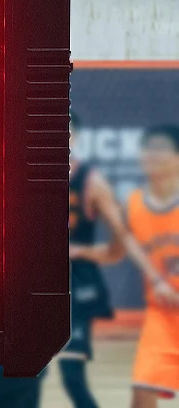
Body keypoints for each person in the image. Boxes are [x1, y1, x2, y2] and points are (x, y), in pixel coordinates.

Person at [58, 112, 126, 408]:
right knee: (16, 381)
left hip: (76, 287)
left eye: (67, 132)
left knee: (73, 377)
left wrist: (82, 251)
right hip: (30, 286)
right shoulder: (22, 176)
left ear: (77, 138)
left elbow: (119, 246)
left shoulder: (92, 182)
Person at [125, 125, 179, 408]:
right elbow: (129, 239)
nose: (151, 154)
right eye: (147, 147)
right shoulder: (135, 203)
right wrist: (157, 280)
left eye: (160, 147)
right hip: (164, 315)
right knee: (142, 392)